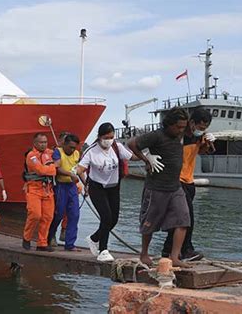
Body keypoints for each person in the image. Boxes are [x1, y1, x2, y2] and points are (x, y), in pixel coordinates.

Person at [127, 107, 191, 268]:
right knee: (149, 222)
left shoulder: (180, 135)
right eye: (178, 126)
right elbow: (132, 143)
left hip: (175, 187)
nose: (180, 130)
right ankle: (144, 253)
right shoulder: (157, 135)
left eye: (183, 127)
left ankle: (175, 257)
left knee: (183, 220)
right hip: (156, 187)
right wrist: (146, 159)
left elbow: (192, 130)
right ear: (169, 124)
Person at [162, 108, 215, 261]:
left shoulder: (199, 137)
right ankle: (186, 250)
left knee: (179, 218)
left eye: (205, 128)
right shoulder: (180, 136)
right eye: (200, 127)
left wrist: (208, 142)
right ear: (192, 122)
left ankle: (167, 250)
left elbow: (204, 152)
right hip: (177, 180)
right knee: (187, 217)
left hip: (189, 180)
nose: (201, 130)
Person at [77, 122, 134, 262]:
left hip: (114, 186)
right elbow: (80, 168)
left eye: (111, 137)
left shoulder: (116, 146)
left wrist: (147, 157)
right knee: (106, 217)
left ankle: (94, 238)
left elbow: (131, 157)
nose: (109, 140)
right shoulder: (91, 151)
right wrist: (83, 181)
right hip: (97, 187)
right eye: (106, 137)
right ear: (100, 136)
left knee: (113, 219)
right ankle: (103, 249)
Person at [48, 134, 84, 251]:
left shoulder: (77, 154)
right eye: (70, 147)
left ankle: (70, 244)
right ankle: (50, 235)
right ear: (64, 144)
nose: (72, 150)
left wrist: (86, 184)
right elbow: (57, 168)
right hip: (60, 186)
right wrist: (70, 174)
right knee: (58, 214)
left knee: (74, 215)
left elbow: (79, 170)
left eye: (74, 147)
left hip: (72, 187)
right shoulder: (58, 152)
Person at [22, 133, 56, 252]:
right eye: (41, 142)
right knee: (35, 214)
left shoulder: (50, 153)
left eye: (45, 142)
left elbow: (59, 155)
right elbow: (41, 170)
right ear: (35, 143)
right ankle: (26, 238)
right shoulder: (31, 156)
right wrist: (53, 168)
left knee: (47, 217)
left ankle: (42, 243)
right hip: (34, 189)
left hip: (47, 190)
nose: (43, 144)